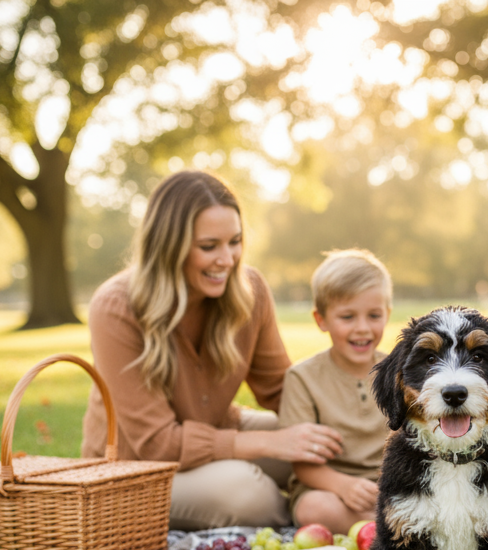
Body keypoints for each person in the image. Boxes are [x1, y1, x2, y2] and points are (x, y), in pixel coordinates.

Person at [81, 170, 343, 531]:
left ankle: (357, 507)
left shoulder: (249, 289)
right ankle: (317, 514)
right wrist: (270, 443)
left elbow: (283, 390)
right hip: (138, 469)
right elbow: (157, 444)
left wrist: (350, 419)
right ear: (169, 246)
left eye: (234, 241)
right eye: (209, 246)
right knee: (249, 492)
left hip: (217, 432)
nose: (227, 259)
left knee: (330, 443)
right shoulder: (116, 308)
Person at [277, 249, 393, 534]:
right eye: (347, 317)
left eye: (374, 315)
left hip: (390, 487)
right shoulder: (302, 378)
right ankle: (392, 534)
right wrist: (345, 486)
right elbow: (302, 465)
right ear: (321, 320)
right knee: (314, 508)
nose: (362, 328)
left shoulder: (398, 371)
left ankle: (389, 527)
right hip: (331, 489)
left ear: (387, 314)